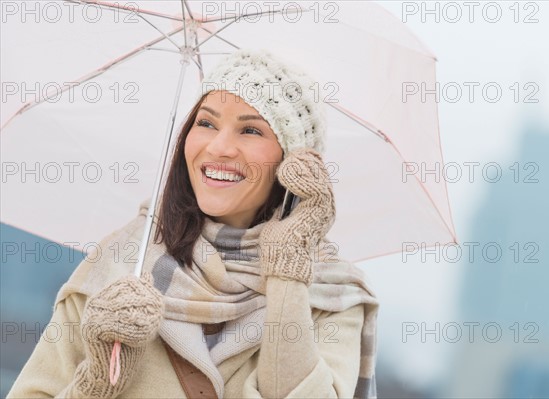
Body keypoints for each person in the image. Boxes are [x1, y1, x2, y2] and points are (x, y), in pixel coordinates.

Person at [7, 48, 379, 399]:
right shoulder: (120, 264)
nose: (218, 147)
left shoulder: (331, 293)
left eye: (251, 130)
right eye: (206, 123)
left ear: (294, 163)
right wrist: (97, 382)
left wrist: (286, 270)